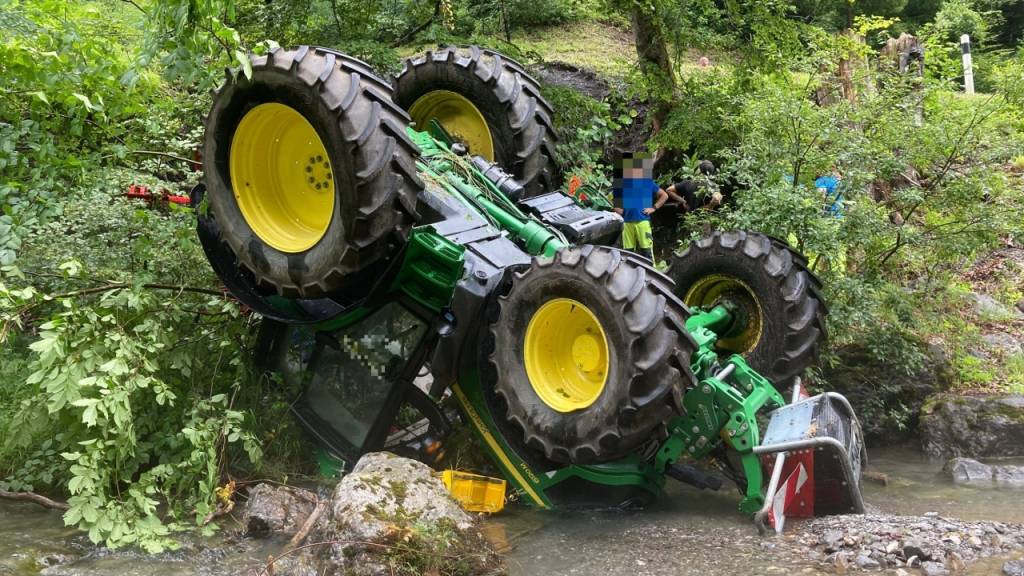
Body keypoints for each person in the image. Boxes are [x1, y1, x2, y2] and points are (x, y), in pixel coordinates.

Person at [612, 153, 668, 262]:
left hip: (643, 221)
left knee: (646, 253)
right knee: (627, 254)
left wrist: (654, 208)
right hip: (627, 223)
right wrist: (614, 208)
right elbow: (620, 210)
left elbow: (664, 195)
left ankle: (651, 277)